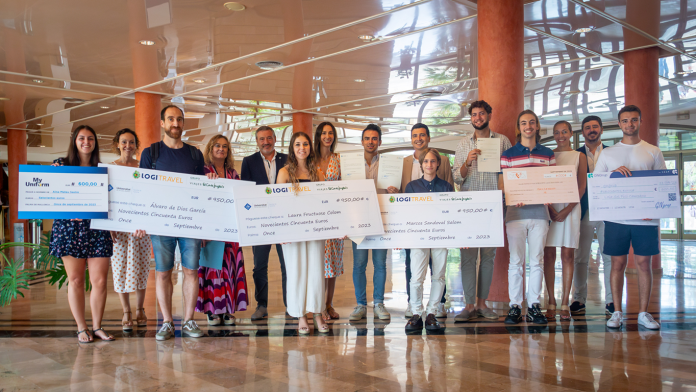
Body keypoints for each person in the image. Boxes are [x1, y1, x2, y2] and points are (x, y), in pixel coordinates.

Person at [139, 105, 206, 341]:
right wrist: (142, 220)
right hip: (161, 223)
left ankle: (188, 321)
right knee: (163, 272)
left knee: (191, 271)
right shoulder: (151, 153)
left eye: (179, 119)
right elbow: (143, 190)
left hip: (190, 223)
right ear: (162, 123)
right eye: (170, 119)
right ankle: (167, 322)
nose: (175, 124)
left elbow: (202, 191)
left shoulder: (195, 154)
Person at [597, 105, 666, 330]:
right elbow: (596, 183)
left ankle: (643, 313)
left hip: (645, 220)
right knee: (617, 264)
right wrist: (613, 175)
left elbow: (662, 184)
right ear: (619, 124)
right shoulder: (607, 153)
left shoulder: (653, 151)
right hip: (616, 219)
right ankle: (617, 312)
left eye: (634, 120)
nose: (630, 124)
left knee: (644, 264)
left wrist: (654, 210)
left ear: (640, 121)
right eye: (625, 121)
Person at [49, 125, 115, 343]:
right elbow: (50, 195)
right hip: (69, 229)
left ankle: (97, 326)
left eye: (90, 138)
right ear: (74, 141)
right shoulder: (61, 164)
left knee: (100, 281)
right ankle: (81, 327)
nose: (86, 142)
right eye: (81, 138)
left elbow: (113, 199)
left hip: (97, 228)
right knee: (76, 279)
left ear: (95, 142)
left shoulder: (103, 168)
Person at [452, 100, 512, 322]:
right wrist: (467, 162)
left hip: (494, 206)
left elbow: (508, 172)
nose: (477, 118)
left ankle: (482, 303)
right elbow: (458, 177)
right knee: (467, 257)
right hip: (468, 207)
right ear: (471, 118)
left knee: (488, 257)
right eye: (474, 115)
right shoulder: (462, 145)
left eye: (481, 114)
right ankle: (468, 305)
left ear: (489, 114)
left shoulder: (502, 141)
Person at [499, 110, 555, 325]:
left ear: (537, 126)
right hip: (515, 214)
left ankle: (534, 306)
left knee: (537, 261)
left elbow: (552, 182)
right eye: (524, 123)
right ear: (519, 127)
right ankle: (515, 306)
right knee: (516, 261)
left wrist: (550, 195)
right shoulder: (508, 155)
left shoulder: (548, 154)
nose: (528, 126)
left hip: (540, 214)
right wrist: (515, 196)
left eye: (532, 122)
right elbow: (504, 184)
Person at [398, 123, 453, 319]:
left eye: (433, 162)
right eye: (426, 162)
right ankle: (416, 311)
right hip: (418, 238)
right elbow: (404, 214)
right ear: (421, 164)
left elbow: (452, 214)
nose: (429, 165)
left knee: (438, 275)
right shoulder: (412, 187)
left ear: (438, 164)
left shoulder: (446, 186)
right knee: (416, 278)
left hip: (440, 237)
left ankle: (432, 311)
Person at [277, 132, 329, 334]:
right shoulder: (284, 173)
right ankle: (300, 315)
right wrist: (281, 232)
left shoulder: (319, 173)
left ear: (310, 147)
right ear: (292, 147)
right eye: (298, 144)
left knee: (316, 270)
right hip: (293, 231)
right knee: (296, 271)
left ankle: (317, 313)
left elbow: (325, 204)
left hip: (315, 230)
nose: (302, 148)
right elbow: (278, 205)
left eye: (305, 144)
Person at [196, 135, 248, 326]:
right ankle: (212, 310)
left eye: (225, 146)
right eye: (217, 145)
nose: (221, 149)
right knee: (212, 269)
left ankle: (227, 309)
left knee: (230, 268)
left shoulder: (233, 173)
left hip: (231, 230)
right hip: (211, 230)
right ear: (210, 148)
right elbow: (198, 200)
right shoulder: (203, 172)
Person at [240, 126, 289, 320]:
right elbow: (245, 192)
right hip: (260, 223)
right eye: (262, 139)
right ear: (257, 141)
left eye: (269, 138)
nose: (266, 142)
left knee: (287, 265)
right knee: (259, 266)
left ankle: (290, 304)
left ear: (275, 139)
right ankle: (261, 305)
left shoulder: (287, 159)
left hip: (283, 221)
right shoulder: (248, 162)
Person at [542, 121, 587, 321]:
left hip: (571, 209)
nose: (560, 135)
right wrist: (551, 209)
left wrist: (567, 209)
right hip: (549, 209)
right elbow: (540, 184)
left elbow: (582, 187)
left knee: (568, 255)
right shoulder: (547, 155)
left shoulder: (579, 156)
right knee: (548, 255)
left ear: (570, 133)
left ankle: (565, 301)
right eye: (556, 132)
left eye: (564, 132)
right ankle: (551, 300)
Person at [109, 128, 151, 331]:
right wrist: (109, 226)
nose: (128, 146)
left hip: (140, 227)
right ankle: (126, 310)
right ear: (117, 144)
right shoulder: (109, 168)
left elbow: (148, 197)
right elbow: (107, 200)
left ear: (136, 145)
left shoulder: (144, 167)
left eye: (132, 142)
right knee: (120, 269)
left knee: (141, 267)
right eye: (124, 142)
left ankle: (140, 309)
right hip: (118, 229)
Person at [349, 124, 391, 321]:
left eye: (375, 139)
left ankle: (379, 303)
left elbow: (395, 189)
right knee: (359, 264)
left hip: (382, 218)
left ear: (380, 142)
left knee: (380, 264)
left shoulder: (389, 164)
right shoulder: (351, 164)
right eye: (367, 138)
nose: (371, 142)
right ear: (362, 141)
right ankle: (360, 305)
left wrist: (394, 191)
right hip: (358, 220)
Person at [571, 116, 613, 316]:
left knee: (609, 257)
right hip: (585, 210)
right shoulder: (575, 154)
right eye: (587, 128)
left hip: (608, 211)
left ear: (601, 129)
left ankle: (612, 301)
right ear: (583, 132)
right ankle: (578, 299)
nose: (591, 130)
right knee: (580, 257)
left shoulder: (613, 152)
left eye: (595, 126)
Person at [314, 122, 344, 321]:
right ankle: (317, 305)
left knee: (332, 262)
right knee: (317, 263)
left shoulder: (339, 159)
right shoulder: (309, 159)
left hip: (335, 214)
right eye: (324, 133)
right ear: (318, 136)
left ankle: (328, 304)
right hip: (315, 216)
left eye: (330, 133)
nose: (327, 136)